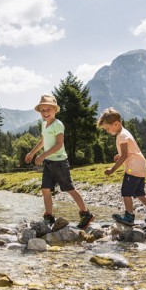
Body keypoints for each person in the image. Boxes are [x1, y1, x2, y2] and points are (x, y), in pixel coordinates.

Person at [25, 95, 95, 229]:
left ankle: (86, 214)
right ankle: (49, 216)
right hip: (49, 163)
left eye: (48, 109)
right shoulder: (44, 124)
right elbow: (43, 140)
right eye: (42, 110)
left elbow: (58, 144)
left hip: (59, 162)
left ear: (55, 110)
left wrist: (43, 155)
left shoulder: (58, 125)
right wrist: (33, 152)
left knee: (69, 188)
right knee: (45, 189)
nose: (45, 113)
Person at [98, 107, 146, 226]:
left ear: (116, 124)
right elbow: (127, 151)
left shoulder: (121, 136)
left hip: (133, 167)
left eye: (107, 128)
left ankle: (129, 216)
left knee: (126, 192)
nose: (107, 131)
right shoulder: (125, 132)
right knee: (139, 192)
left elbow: (125, 156)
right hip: (140, 165)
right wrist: (119, 154)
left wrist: (112, 169)